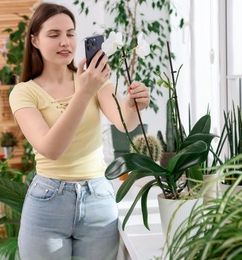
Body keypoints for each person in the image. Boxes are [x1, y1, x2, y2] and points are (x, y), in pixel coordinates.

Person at [9, 3, 150, 260]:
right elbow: (51, 148)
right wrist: (84, 92)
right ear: (35, 40)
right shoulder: (24, 92)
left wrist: (134, 105)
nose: (65, 42)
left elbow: (125, 123)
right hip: (47, 203)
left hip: (98, 199)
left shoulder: (92, 81)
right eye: (54, 35)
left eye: (71, 33)